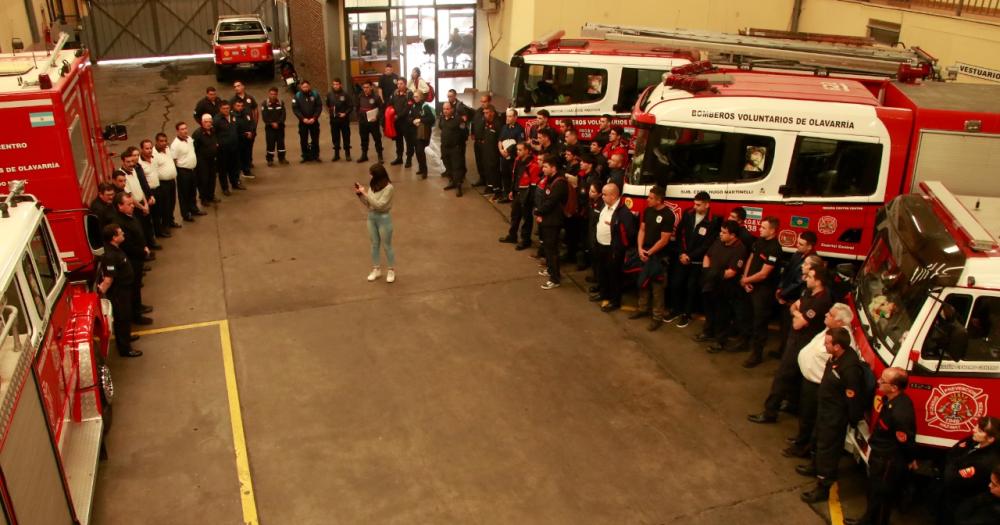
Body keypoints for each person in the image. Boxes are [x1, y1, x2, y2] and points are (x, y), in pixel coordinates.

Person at [748, 266, 833, 423]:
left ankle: (770, 411)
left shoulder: (822, 300)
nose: (805, 278)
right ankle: (793, 405)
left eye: (810, 276)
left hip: (802, 342)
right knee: (794, 376)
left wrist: (797, 316)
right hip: (796, 338)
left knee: (782, 376)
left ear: (819, 280)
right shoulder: (809, 291)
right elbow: (794, 306)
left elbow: (797, 324)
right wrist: (798, 314)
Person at [799, 326, 866, 503]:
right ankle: (815, 466)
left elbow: (852, 398)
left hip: (834, 416)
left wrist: (850, 419)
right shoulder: (837, 357)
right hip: (825, 410)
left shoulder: (850, 368)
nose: (825, 345)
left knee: (827, 451)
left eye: (828, 343)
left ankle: (823, 486)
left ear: (838, 346)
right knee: (817, 440)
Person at [842, 367, 916, 525]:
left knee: (881, 496)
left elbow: (906, 441)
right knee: (873, 492)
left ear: (894, 387)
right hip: (879, 455)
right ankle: (868, 520)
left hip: (888, 461)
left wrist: (910, 459)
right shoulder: (890, 400)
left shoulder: (900, 412)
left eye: (883, 381)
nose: (878, 382)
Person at [789, 304, 856, 458]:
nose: (826, 314)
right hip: (809, 381)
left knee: (810, 418)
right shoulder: (831, 330)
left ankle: (804, 448)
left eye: (831, 314)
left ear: (840, 322)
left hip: (818, 384)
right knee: (805, 415)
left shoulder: (842, 340)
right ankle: (801, 440)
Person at [667, 191, 721, 328]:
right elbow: (680, 234)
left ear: (707, 204)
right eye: (694, 204)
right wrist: (682, 254)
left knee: (691, 288)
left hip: (696, 261)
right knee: (676, 284)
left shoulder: (713, 221)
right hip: (682, 257)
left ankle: (687, 314)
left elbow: (707, 244)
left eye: (698, 204)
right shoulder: (688, 214)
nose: (695, 207)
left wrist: (690, 256)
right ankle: (675, 310)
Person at [737, 216, 782, 368]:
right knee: (745, 315)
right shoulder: (759, 241)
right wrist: (745, 277)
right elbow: (751, 258)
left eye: (763, 228)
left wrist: (747, 280)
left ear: (772, 230)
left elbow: (764, 273)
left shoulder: (775, 248)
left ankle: (757, 354)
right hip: (750, 284)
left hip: (764, 291)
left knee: (759, 323)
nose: (760, 229)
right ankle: (743, 342)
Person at [938, 416, 1000, 525]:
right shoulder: (974, 439)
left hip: (960, 502)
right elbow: (952, 451)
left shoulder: (984, 462)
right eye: (976, 426)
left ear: (991, 439)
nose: (974, 430)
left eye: (980, 430)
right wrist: (954, 463)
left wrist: (953, 463)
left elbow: (951, 478)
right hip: (950, 495)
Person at [631, 185, 674, 331]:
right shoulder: (648, 211)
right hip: (645, 252)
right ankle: (642, 308)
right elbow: (642, 230)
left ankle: (657, 317)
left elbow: (664, 240)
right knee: (642, 283)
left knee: (657, 288)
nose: (647, 200)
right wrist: (640, 249)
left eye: (650, 198)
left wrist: (649, 253)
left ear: (659, 199)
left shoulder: (668, 215)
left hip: (659, 256)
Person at [699, 220, 748, 345]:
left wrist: (713, 275)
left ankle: (720, 341)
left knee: (722, 315)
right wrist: (707, 272)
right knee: (709, 310)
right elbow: (707, 256)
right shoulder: (718, 241)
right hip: (709, 283)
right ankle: (708, 332)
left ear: (733, 235)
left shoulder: (740, 249)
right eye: (721, 231)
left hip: (725, 287)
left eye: (724, 232)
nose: (720, 234)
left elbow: (731, 272)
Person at [96, 224, 142, 357]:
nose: (123, 235)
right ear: (113, 238)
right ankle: (125, 348)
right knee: (122, 318)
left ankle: (126, 337)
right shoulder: (110, 255)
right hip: (119, 292)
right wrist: (100, 294)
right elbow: (108, 279)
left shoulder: (115, 249)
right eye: (121, 233)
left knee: (126, 317)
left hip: (125, 289)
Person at [111, 192, 154, 326]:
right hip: (131, 260)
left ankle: (138, 307)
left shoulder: (130, 216)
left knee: (137, 286)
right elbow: (127, 245)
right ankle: (136, 316)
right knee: (133, 288)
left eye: (132, 203)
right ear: (119, 206)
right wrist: (142, 251)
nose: (132, 206)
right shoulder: (120, 223)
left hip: (138, 257)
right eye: (128, 204)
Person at [592, 183, 636, 310]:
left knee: (614, 275)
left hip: (613, 249)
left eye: (605, 194)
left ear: (613, 196)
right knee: (602, 272)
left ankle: (614, 300)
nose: (602, 196)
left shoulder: (623, 212)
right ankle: (603, 294)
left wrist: (619, 248)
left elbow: (630, 233)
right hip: (601, 245)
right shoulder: (605, 206)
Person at [775, 231, 819, 358]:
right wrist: (780, 288)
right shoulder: (797, 254)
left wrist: (783, 294)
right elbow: (787, 271)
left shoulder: (812, 261)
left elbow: (799, 282)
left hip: (795, 298)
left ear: (809, 246)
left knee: (790, 328)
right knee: (784, 326)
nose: (797, 245)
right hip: (785, 294)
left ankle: (786, 354)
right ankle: (781, 351)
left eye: (801, 244)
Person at [355, 163, 397, 284]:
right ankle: (376, 269)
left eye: (371, 174)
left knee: (387, 245)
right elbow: (369, 204)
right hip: (371, 217)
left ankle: (391, 270)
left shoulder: (389, 188)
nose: (369, 176)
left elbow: (380, 205)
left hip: (384, 218)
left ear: (378, 175)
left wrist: (365, 194)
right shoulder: (373, 185)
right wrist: (360, 194)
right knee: (374, 244)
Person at [534, 154, 569, 290]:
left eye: (546, 166)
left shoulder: (559, 183)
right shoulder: (551, 179)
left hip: (553, 221)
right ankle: (550, 270)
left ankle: (555, 278)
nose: (543, 169)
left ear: (553, 168)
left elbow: (550, 202)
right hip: (547, 218)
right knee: (548, 248)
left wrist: (538, 212)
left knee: (551, 249)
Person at [115, 147, 159, 252]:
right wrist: (142, 207)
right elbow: (129, 196)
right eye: (128, 162)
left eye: (132, 161)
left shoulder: (134, 170)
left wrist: (146, 204)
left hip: (142, 204)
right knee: (140, 231)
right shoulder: (122, 175)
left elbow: (140, 188)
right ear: (122, 161)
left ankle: (150, 245)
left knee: (148, 227)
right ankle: (144, 252)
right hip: (135, 206)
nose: (131, 164)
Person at [499, 142, 540, 249]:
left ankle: (526, 240)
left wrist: (529, 198)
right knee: (514, 215)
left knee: (526, 218)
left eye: (520, 150)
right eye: (517, 150)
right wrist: (512, 190)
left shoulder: (533, 164)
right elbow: (515, 176)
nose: (518, 152)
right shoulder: (517, 160)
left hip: (526, 194)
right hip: (517, 192)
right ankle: (512, 235)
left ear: (527, 150)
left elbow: (533, 184)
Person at [171, 122, 203, 221]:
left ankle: (194, 209)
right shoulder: (175, 145)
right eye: (182, 129)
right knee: (184, 194)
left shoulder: (189, 139)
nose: (185, 131)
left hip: (192, 170)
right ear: (177, 131)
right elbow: (174, 160)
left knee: (193, 191)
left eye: (185, 128)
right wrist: (179, 172)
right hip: (183, 172)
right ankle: (186, 214)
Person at [136, 139, 167, 238]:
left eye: (150, 148)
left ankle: (161, 229)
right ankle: (156, 233)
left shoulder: (153, 158)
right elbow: (142, 182)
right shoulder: (139, 164)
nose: (149, 150)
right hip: (149, 191)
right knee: (153, 214)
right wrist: (149, 195)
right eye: (146, 148)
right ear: (142, 149)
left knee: (160, 211)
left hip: (158, 188)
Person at [152, 133, 180, 231]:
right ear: (156, 142)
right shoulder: (153, 154)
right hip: (162, 184)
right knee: (165, 205)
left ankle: (170, 221)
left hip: (171, 181)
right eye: (161, 141)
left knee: (172, 203)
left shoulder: (168, 149)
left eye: (165, 141)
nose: (164, 143)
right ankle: (165, 225)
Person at [439, 101, 468, 196]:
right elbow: (441, 128)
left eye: (447, 109)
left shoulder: (458, 120)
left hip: (455, 148)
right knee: (448, 166)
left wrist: (459, 145)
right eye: (444, 109)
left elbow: (464, 133)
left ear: (452, 109)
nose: (445, 111)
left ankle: (458, 186)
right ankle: (452, 182)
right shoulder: (442, 118)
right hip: (445, 147)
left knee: (457, 168)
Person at [498, 108, 525, 203]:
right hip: (503, 157)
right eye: (507, 116)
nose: (508, 118)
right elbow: (500, 140)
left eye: (510, 116)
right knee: (504, 175)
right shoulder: (504, 127)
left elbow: (519, 144)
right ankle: (505, 194)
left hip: (513, 158)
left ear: (515, 117)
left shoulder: (519, 129)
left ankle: (512, 195)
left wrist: (509, 152)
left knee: (513, 176)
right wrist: (501, 150)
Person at [214, 101, 241, 196]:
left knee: (234, 167)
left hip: (234, 148)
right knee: (223, 169)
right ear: (220, 109)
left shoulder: (233, 116)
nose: (226, 110)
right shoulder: (217, 120)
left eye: (228, 108)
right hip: (223, 150)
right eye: (224, 108)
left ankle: (235, 183)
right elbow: (214, 134)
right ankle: (225, 188)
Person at [192, 114, 219, 208]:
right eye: (206, 122)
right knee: (204, 179)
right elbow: (193, 149)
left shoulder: (213, 130)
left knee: (212, 178)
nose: (208, 124)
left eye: (209, 122)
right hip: (202, 161)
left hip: (212, 159)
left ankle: (211, 195)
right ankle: (203, 198)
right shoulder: (197, 134)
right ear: (202, 123)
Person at [292, 80, 323, 163]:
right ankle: (305, 156)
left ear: (309, 87)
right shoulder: (297, 96)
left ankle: (315, 156)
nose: (305, 88)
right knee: (303, 140)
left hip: (314, 121)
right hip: (303, 122)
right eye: (303, 87)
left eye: (307, 86)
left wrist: (314, 118)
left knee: (315, 139)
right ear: (301, 87)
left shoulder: (315, 95)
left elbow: (319, 107)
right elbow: (295, 109)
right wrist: (302, 118)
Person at [231, 81, 258, 169]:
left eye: (238, 86)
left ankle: (249, 162)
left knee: (249, 146)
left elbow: (255, 111)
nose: (236, 88)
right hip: (239, 130)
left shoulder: (250, 98)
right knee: (240, 148)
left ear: (243, 86)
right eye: (235, 86)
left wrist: (254, 126)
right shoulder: (232, 100)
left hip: (250, 127)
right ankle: (241, 164)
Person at [407, 90, 434, 177]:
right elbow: (409, 117)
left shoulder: (425, 106)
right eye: (414, 97)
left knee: (420, 150)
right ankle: (421, 168)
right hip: (414, 132)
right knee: (417, 151)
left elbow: (431, 119)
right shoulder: (413, 106)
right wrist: (413, 121)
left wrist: (420, 120)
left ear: (421, 97)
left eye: (417, 96)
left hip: (422, 133)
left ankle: (425, 170)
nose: (415, 98)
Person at [355, 81, 384, 163]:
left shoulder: (376, 97)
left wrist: (377, 117)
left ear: (371, 87)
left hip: (373, 122)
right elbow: (357, 107)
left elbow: (381, 109)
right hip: (363, 123)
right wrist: (359, 117)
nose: (365, 89)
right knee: (364, 139)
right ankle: (364, 155)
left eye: (367, 87)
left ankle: (380, 156)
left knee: (377, 139)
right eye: (364, 87)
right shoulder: (360, 96)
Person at [388, 78, 414, 166]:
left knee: (408, 141)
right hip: (396, 122)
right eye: (398, 84)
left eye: (401, 84)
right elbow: (390, 103)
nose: (399, 85)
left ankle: (409, 159)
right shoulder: (395, 93)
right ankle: (399, 158)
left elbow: (407, 108)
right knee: (398, 141)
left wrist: (398, 116)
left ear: (405, 84)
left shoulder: (409, 94)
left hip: (406, 122)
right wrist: (390, 113)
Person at [326, 78, 353, 161]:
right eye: (334, 84)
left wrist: (345, 113)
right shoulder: (329, 94)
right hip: (334, 120)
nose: (335, 86)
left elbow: (350, 106)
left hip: (344, 120)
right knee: (335, 137)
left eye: (337, 84)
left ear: (340, 85)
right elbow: (327, 104)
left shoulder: (345, 94)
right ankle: (336, 154)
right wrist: (331, 112)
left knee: (346, 137)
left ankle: (347, 154)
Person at [478, 105, 502, 198]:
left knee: (494, 171)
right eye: (484, 113)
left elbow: (500, 139)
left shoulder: (498, 124)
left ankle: (497, 191)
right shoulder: (486, 123)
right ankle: (490, 187)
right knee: (487, 169)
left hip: (494, 153)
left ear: (492, 112)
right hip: (486, 151)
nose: (485, 115)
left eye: (487, 113)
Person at [470, 93, 493, 187]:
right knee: (479, 161)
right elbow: (474, 122)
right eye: (482, 101)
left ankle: (489, 182)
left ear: (489, 101)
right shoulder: (478, 111)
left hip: (486, 142)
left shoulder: (491, 112)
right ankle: (482, 178)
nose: (483, 103)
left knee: (486, 162)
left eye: (485, 101)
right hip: (477, 141)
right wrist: (472, 132)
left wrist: (486, 140)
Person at [261, 87, 288, 166]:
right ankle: (270, 159)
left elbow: (283, 115)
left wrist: (278, 123)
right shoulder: (265, 104)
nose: (273, 96)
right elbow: (264, 116)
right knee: (270, 143)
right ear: (269, 94)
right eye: (271, 94)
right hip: (270, 128)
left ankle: (282, 158)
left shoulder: (280, 103)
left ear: (277, 95)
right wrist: (272, 123)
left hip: (280, 127)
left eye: (274, 94)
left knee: (281, 143)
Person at [232, 98, 257, 179]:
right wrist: (244, 134)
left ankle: (246, 171)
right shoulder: (232, 116)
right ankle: (237, 174)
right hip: (238, 140)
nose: (240, 107)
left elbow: (252, 123)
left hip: (248, 139)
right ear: (234, 106)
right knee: (238, 157)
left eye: (241, 106)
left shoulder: (247, 113)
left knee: (247, 155)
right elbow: (233, 129)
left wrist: (251, 132)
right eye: (238, 106)